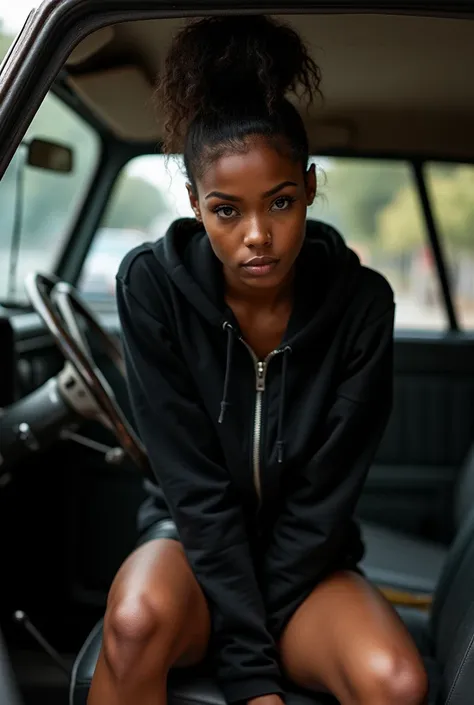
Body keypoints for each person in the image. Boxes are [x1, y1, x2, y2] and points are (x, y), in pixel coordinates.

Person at [88, 15, 428, 705]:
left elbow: (322, 501)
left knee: (395, 681)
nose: (257, 237)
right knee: (133, 624)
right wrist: (251, 673)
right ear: (193, 205)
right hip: (190, 544)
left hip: (306, 563)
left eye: (279, 202)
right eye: (225, 211)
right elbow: (195, 490)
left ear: (307, 186)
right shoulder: (151, 287)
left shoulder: (362, 305)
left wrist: (248, 653)